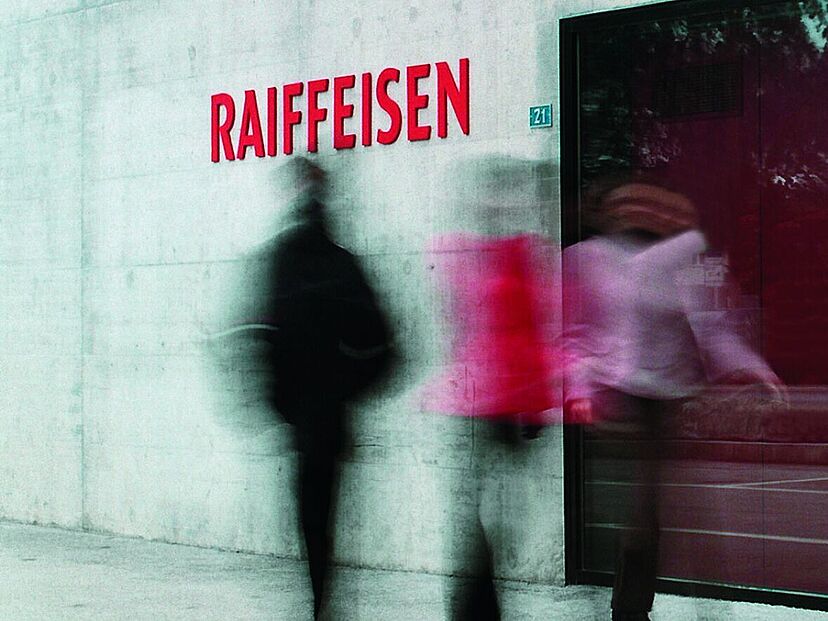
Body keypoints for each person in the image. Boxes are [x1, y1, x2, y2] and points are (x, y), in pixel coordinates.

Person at [563, 177, 780, 621]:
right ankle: (633, 610)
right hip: (623, 400)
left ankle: (643, 607)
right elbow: (576, 334)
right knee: (648, 512)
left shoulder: (679, 261)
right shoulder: (589, 259)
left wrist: (752, 367)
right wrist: (582, 391)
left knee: (665, 512)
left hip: (670, 399)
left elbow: (712, 327)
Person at [258, 157, 392, 619]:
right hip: (329, 418)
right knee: (324, 521)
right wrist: (346, 387)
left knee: (312, 522)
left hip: (302, 420)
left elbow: (266, 335)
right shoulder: (340, 262)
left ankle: (321, 604)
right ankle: (324, 605)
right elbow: (383, 343)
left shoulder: (283, 260)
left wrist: (280, 402)